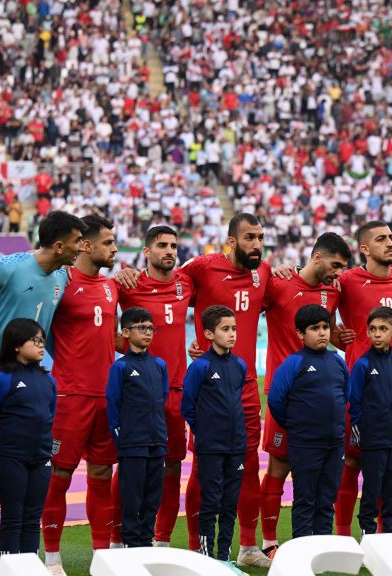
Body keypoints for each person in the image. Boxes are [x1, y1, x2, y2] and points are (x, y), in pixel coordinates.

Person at [174, 213, 272, 566]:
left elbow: (288, 301)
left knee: (247, 467)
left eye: (260, 237)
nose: (257, 244)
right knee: (204, 468)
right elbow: (165, 294)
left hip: (245, 388)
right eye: (249, 237)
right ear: (231, 241)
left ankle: (247, 548)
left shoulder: (265, 273)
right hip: (211, 390)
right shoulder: (201, 267)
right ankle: (195, 550)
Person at [259, 232, 351, 555]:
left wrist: (341, 337)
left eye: (342, 267)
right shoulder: (279, 283)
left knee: (321, 482)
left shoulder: (332, 291)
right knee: (278, 468)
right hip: (284, 393)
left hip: (318, 400)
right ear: (317, 258)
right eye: (335, 265)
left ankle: (317, 544)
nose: (338, 273)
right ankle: (267, 542)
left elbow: (333, 332)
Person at [42, 214, 120, 573]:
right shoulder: (60, 281)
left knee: (102, 476)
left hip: (106, 397)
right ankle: (53, 557)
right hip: (70, 397)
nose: (114, 248)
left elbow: (109, 337)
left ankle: (101, 556)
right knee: (59, 476)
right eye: (108, 242)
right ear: (85, 245)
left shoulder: (111, 286)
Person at [113, 226, 193, 547]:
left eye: (173, 245)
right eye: (162, 245)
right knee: (129, 466)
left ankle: (161, 541)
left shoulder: (186, 283)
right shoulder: (128, 285)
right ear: (146, 251)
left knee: (172, 465)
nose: (169, 250)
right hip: (138, 394)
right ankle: (117, 540)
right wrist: (123, 345)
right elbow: (102, 319)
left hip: (176, 391)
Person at [334, 221, 392, 536]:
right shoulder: (347, 280)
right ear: (364, 249)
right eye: (381, 239)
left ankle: (385, 536)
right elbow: (319, 307)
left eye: (391, 237)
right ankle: (342, 535)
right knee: (352, 463)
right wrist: (339, 339)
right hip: (361, 388)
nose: (390, 243)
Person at [267, 304, 350, 538]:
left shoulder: (337, 361)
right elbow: (275, 400)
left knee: (327, 499)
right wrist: (297, 425)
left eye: (325, 327)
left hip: (335, 443)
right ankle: (302, 550)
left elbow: (347, 394)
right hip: (305, 443)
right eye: (314, 328)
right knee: (305, 499)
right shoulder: (294, 363)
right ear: (300, 334)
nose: (322, 332)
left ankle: (322, 548)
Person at [0, 210, 85, 380]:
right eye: (77, 241)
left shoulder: (62, 277)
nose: (82, 247)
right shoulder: (6, 268)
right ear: (59, 246)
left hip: (29, 380)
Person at [181, 306, 247, 571]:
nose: (232, 334)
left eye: (233, 329)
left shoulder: (239, 365)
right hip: (211, 446)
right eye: (225, 329)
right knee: (210, 502)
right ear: (209, 333)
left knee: (231, 503)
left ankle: (224, 559)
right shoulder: (201, 367)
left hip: (237, 445)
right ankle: (208, 561)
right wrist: (205, 430)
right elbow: (188, 405)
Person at [0, 318, 56, 556]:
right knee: (13, 516)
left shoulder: (49, 380)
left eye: (42, 341)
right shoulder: (2, 380)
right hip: (10, 457)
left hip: (41, 458)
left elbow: (50, 416)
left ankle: (30, 566)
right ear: (16, 345)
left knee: (32, 517)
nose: (41, 346)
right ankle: (10, 567)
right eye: (34, 340)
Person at [106, 307, 169, 549]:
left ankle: (146, 543)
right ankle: (131, 546)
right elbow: (114, 404)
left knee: (153, 498)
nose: (148, 332)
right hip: (133, 443)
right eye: (141, 328)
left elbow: (161, 398)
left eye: (151, 328)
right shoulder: (120, 367)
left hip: (157, 442)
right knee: (132, 499)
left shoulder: (159, 365)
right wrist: (122, 437)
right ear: (125, 332)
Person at [348, 306, 392, 536]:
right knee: (372, 490)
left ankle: (390, 534)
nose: (377, 334)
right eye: (372, 329)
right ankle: (368, 534)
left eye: (383, 329)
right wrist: (361, 432)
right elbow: (354, 401)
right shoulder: (363, 365)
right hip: (373, 439)